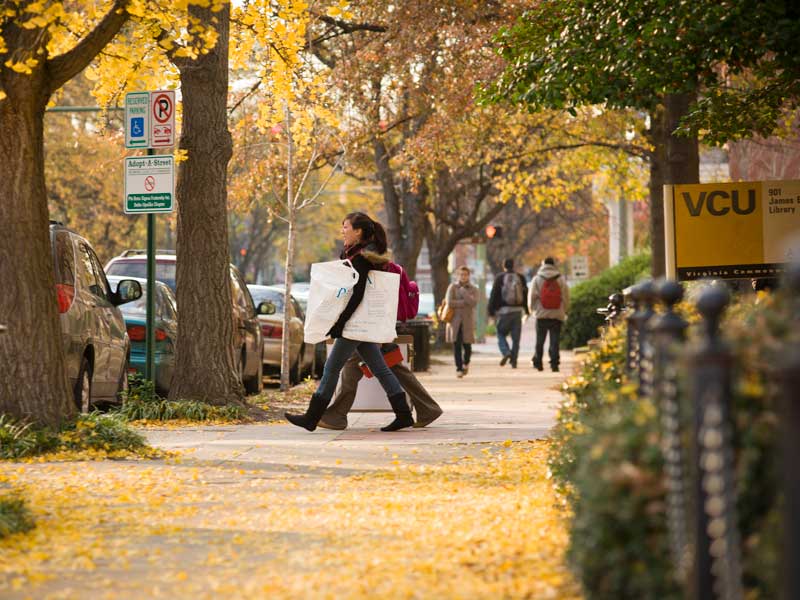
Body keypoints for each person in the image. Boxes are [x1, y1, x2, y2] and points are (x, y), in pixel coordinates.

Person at [285, 212, 413, 432]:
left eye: (346, 227)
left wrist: (340, 323)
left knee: (331, 367)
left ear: (358, 231)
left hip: (353, 324)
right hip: (359, 324)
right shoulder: (356, 255)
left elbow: (357, 294)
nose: (342, 231)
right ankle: (403, 414)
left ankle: (311, 417)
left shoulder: (363, 258)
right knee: (380, 369)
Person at [317, 349, 443, 430]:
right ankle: (427, 409)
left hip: (370, 326)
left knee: (352, 365)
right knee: (392, 365)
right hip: (376, 325)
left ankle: (336, 416)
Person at [528, 257, 569, 372]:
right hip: (557, 314)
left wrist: (531, 310)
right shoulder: (560, 279)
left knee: (540, 340)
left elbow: (531, 296)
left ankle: (538, 363)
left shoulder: (537, 278)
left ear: (543, 264)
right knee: (555, 340)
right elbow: (566, 296)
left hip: (541, 314)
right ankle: (554, 364)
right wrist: (565, 310)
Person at [488, 258, 529, 368]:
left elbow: (494, 295)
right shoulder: (520, 277)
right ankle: (514, 361)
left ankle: (506, 352)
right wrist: (527, 310)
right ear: (513, 265)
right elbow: (525, 295)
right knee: (516, 339)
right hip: (517, 312)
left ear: (504, 266)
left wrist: (491, 311)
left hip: (504, 312)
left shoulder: (500, 278)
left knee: (500, 333)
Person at [445, 266, 478, 378]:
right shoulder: (452, 287)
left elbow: (474, 303)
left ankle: (466, 363)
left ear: (469, 275)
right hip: (454, 321)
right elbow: (450, 303)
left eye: (465, 274)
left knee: (467, 345)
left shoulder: (473, 288)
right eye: (461, 274)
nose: (463, 277)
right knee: (457, 345)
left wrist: (463, 292)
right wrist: (464, 302)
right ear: (458, 275)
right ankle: (458, 368)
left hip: (467, 321)